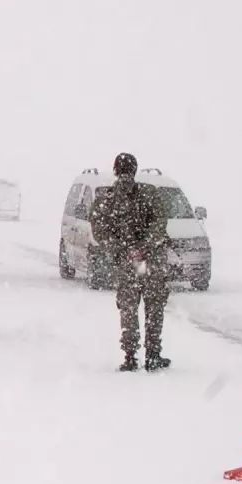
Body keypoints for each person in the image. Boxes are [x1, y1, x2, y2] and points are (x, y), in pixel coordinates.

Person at [90, 153, 171, 372]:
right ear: (135, 170)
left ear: (115, 170)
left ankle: (130, 356)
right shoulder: (149, 194)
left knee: (128, 308)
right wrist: (145, 246)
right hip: (149, 260)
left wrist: (122, 249)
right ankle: (153, 354)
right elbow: (160, 222)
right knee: (153, 306)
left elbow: (100, 231)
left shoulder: (106, 199)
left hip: (127, 262)